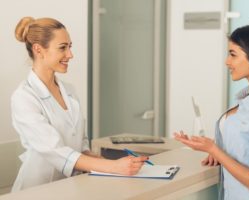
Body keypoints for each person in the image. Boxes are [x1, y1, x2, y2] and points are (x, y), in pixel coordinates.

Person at [11, 17, 148, 192]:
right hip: (36, 190)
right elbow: (56, 151)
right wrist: (114, 168)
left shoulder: (69, 91)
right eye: (63, 48)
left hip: (69, 188)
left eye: (70, 47)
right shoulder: (24, 97)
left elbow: (80, 147)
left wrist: (116, 164)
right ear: (39, 50)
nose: (70, 55)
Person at [174, 23, 249, 200]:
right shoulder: (244, 100)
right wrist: (213, 150)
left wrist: (215, 150)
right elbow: (246, 145)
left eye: (233, 54)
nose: (227, 61)